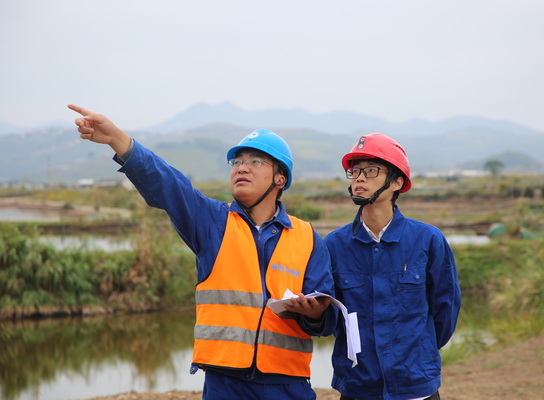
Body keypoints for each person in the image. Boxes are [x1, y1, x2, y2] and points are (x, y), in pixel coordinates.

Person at [68, 104, 336, 400]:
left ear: (280, 178)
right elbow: (168, 186)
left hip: (287, 385)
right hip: (225, 385)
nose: (242, 167)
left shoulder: (307, 237)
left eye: (256, 161)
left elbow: (325, 318)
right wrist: (118, 140)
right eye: (237, 162)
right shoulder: (213, 222)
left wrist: (314, 314)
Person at [324, 133, 461, 400]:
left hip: (415, 386)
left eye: (371, 170)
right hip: (357, 385)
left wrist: (418, 354)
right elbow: (330, 319)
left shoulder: (428, 240)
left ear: (397, 182)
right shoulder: (334, 245)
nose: (359, 178)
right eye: (355, 171)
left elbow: (446, 310)